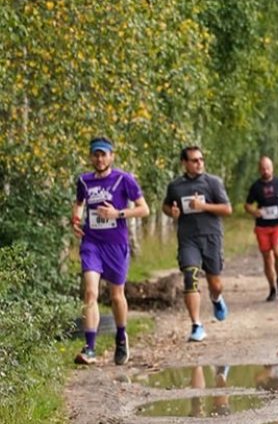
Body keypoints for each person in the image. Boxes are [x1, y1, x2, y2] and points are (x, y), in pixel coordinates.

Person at [71, 137, 150, 365]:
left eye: (104, 154)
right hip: (92, 243)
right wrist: (75, 219)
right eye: (96, 154)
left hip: (116, 245)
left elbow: (144, 209)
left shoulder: (124, 179)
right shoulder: (84, 181)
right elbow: (78, 203)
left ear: (111, 156)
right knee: (90, 293)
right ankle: (90, 348)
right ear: (91, 157)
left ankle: (121, 337)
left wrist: (118, 214)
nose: (99, 158)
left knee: (116, 296)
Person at [162, 145, 232, 342]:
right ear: (184, 163)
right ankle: (196, 325)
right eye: (194, 160)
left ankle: (216, 299)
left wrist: (203, 206)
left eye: (201, 159)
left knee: (215, 284)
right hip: (188, 238)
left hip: (211, 237)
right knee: (190, 276)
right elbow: (166, 205)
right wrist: (171, 212)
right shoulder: (176, 186)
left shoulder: (213, 183)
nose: (199, 163)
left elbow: (227, 209)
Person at [245, 156, 278, 301]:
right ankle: (272, 288)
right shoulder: (255, 186)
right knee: (267, 259)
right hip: (262, 227)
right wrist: (254, 212)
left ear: (272, 168)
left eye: (268, 168)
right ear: (259, 169)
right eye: (263, 168)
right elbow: (247, 205)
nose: (266, 171)